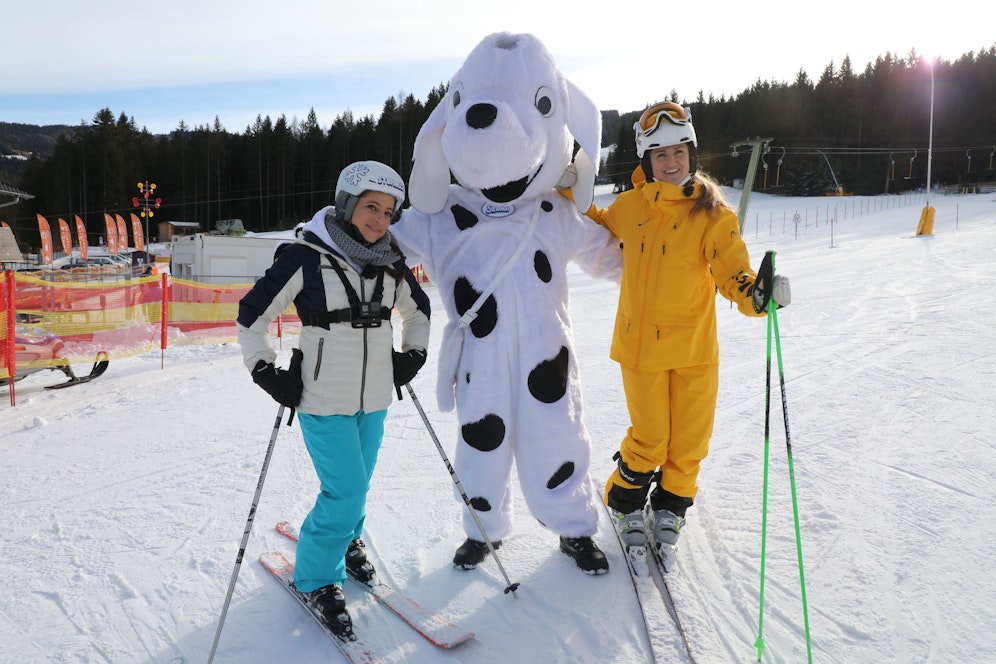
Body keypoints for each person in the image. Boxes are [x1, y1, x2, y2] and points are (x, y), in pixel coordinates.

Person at [581, 102, 791, 559]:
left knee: (690, 440)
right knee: (651, 437)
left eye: (678, 151)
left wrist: (756, 296)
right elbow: (590, 225)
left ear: (691, 155)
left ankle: (672, 506)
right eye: (660, 155)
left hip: (695, 349)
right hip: (641, 349)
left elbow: (733, 273)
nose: (670, 162)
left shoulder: (714, 215)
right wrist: (562, 191)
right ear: (646, 162)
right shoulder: (630, 206)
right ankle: (624, 500)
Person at [236, 161, 431, 637]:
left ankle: (345, 539)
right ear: (346, 205)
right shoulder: (306, 257)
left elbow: (419, 311)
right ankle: (317, 578)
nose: (380, 219)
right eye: (370, 207)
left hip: (376, 396)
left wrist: (413, 355)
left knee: (358, 483)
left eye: (388, 211)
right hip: (322, 398)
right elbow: (251, 315)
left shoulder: (391, 262)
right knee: (343, 490)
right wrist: (265, 370)